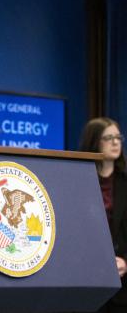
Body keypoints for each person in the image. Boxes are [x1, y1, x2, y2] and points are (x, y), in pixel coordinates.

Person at [79, 117, 127, 313]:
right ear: (94, 142)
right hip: (86, 277)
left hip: (122, 281)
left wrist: (126, 260)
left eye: (118, 137)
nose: (116, 142)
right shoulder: (77, 182)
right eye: (108, 138)